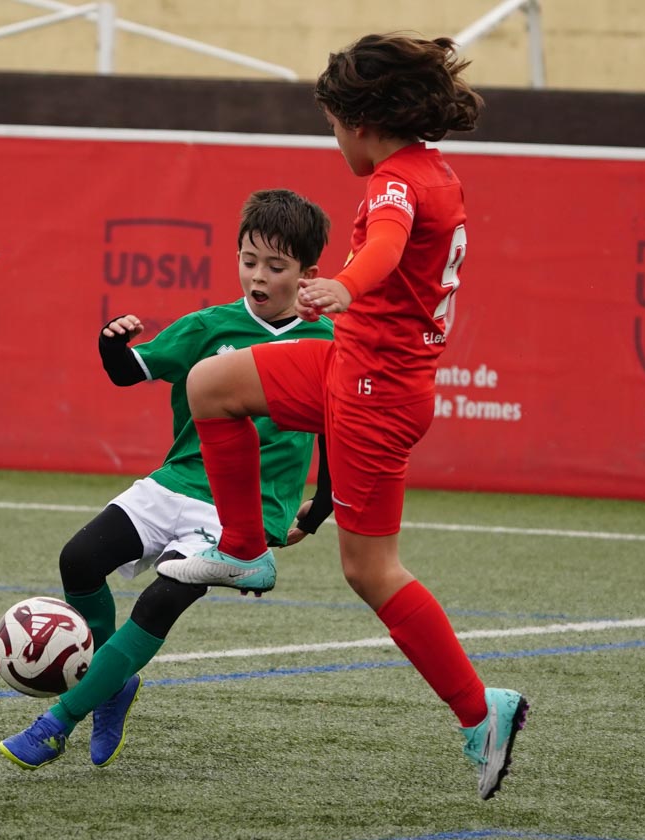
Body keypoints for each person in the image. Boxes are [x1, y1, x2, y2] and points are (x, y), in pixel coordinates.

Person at [157, 34, 528, 800]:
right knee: (211, 385)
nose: (333, 141)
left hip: (374, 393)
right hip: (351, 369)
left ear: (360, 123)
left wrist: (347, 287)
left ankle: (479, 711)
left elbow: (386, 248)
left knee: (369, 568)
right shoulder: (434, 171)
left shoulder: (395, 183)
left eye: (332, 125)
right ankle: (243, 548)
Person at [0, 188, 336, 770]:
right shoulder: (210, 325)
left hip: (243, 513)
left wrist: (322, 504)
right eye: (248, 260)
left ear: (308, 275)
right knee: (78, 559)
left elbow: (339, 429)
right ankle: (114, 684)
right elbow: (129, 373)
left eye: (276, 267)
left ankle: (57, 723)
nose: (258, 276)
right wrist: (111, 344)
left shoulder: (324, 343)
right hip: (175, 482)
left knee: (159, 601)